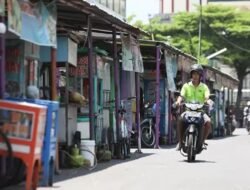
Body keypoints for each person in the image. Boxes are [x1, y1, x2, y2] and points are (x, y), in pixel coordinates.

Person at [175, 64, 213, 151]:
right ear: (191, 75)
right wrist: (178, 101)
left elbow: (207, 97)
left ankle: (202, 142)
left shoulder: (204, 87)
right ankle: (180, 142)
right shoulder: (186, 86)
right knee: (180, 120)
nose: (195, 76)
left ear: (200, 76)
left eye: (197, 74)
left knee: (208, 123)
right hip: (188, 111)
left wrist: (208, 101)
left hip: (200, 112)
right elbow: (181, 96)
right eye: (194, 74)